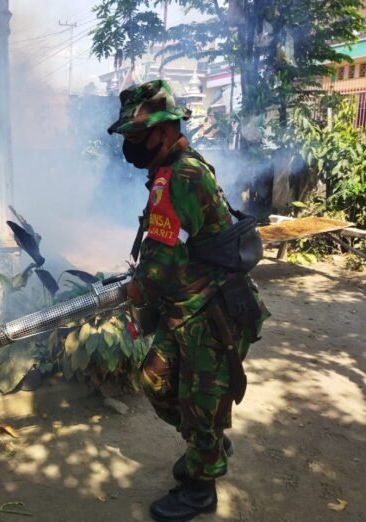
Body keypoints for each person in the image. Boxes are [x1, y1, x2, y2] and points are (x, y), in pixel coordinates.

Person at [107, 79, 270, 522]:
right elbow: (170, 246)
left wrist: (133, 291)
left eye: (137, 135)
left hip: (211, 311)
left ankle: (201, 488)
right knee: (156, 382)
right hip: (187, 307)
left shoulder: (181, 175)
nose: (130, 145)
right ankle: (208, 443)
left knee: (199, 402)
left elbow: (160, 260)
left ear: (164, 131)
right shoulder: (171, 170)